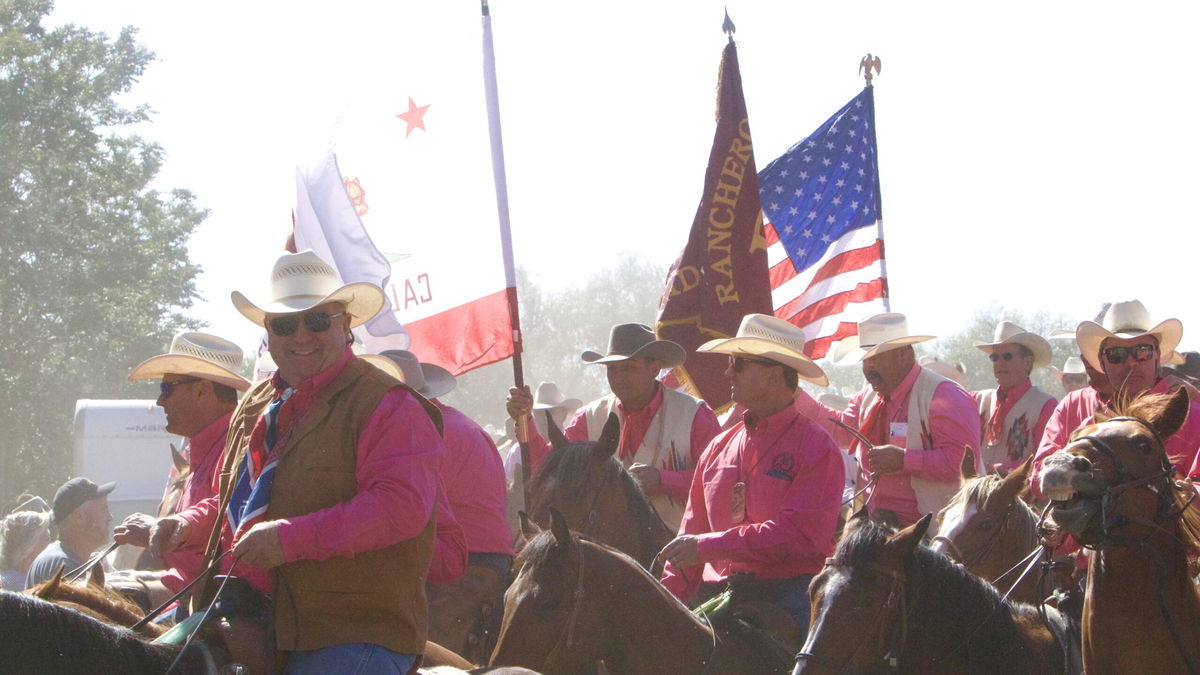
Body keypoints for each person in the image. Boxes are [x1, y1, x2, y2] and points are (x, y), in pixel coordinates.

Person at [150, 250, 444, 674]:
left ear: (345, 325)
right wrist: (189, 524)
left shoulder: (388, 403)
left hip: (348, 630)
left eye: (317, 320)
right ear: (269, 333)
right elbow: (240, 499)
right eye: (285, 324)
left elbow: (400, 507)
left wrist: (290, 539)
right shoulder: (257, 402)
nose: (300, 335)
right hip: (239, 611)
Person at [658, 314, 844, 635]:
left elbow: (797, 535)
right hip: (720, 592)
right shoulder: (718, 447)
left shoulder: (817, 447)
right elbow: (689, 537)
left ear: (774, 375)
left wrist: (707, 546)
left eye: (739, 364)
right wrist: (663, 603)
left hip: (790, 594)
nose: (728, 371)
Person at [364, 349, 512, 659]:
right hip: (485, 559)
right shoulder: (462, 425)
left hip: (461, 566)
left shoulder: (418, 432)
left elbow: (402, 515)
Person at [506, 323, 721, 531]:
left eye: (629, 368)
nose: (618, 378)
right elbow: (552, 465)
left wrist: (664, 481)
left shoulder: (695, 415)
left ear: (654, 368)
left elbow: (719, 481)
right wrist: (525, 420)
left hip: (682, 548)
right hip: (609, 552)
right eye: (612, 369)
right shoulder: (589, 417)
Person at [795, 312, 981, 527]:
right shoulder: (868, 397)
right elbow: (842, 432)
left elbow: (965, 462)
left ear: (902, 354)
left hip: (933, 533)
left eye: (875, 357)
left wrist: (904, 460)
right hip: (878, 524)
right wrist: (793, 394)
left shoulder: (945, 396)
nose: (868, 367)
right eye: (866, 359)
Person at [117, 332, 251, 592]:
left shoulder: (237, 446)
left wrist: (161, 531)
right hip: (190, 590)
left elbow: (226, 515)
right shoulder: (208, 448)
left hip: (211, 596)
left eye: (167, 388)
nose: (160, 400)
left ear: (202, 390)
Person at [1031, 300, 1200, 497]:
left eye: (1142, 351)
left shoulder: (1194, 416)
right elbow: (1037, 480)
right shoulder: (1088, 425)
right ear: (1103, 363)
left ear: (1157, 355)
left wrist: (1185, 494)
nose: (1130, 362)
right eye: (1116, 355)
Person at [973, 322, 1058, 474]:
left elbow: (1044, 460)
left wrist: (997, 470)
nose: (999, 363)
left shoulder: (1045, 405)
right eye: (994, 357)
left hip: (1020, 496)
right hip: (979, 495)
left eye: (1007, 356)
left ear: (1027, 362)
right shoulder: (978, 400)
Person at [26, 478, 115, 587]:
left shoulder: (68, 558)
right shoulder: (64, 566)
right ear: (79, 517)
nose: (110, 517)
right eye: (103, 509)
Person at [1, 510, 51, 590]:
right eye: (46, 538)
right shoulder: (23, 587)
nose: (50, 544)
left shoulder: (6, 578)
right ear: (29, 545)